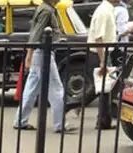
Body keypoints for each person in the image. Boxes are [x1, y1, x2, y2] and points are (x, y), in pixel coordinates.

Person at [13, 0, 74, 133]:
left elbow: (35, 32)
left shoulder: (44, 8)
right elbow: (37, 33)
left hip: (39, 53)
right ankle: (60, 124)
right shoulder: (47, 10)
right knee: (55, 88)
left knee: (31, 88)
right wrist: (29, 54)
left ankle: (20, 120)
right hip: (42, 53)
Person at [88, 0, 118, 130]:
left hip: (104, 53)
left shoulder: (107, 9)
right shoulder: (103, 11)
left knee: (105, 89)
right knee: (103, 89)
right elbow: (98, 38)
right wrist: (103, 60)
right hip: (100, 53)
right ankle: (103, 121)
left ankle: (104, 121)